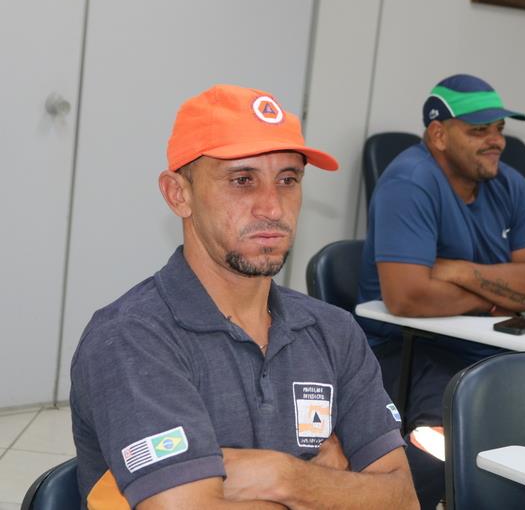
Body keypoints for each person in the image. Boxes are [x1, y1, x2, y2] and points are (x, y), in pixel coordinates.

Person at [70, 84, 419, 509]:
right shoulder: (132, 338)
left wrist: (285, 476)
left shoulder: (333, 330)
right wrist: (331, 483)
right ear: (179, 194)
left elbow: (403, 498)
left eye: (288, 180)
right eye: (242, 180)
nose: (272, 207)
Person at [357, 73, 525, 507]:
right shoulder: (410, 182)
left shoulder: (509, 184)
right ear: (439, 135)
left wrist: (458, 272)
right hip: (410, 348)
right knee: (450, 445)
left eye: (499, 129)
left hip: (489, 344)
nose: (496, 141)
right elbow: (407, 297)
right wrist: (495, 294)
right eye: (479, 130)